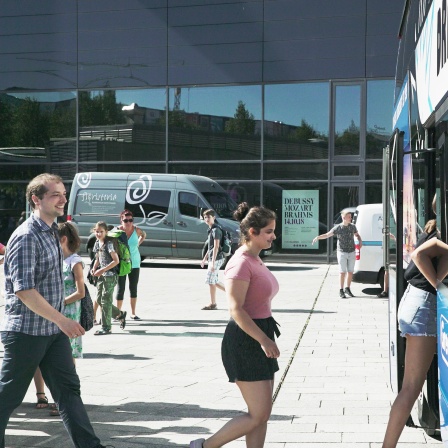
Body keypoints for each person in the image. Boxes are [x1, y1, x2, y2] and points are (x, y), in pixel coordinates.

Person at [0, 173, 108, 448]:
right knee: (7, 398)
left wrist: (59, 322)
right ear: (36, 199)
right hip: (26, 332)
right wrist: (63, 320)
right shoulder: (25, 237)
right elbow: (24, 291)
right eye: (55, 195)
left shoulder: (52, 231)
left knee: (68, 391)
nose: (63, 199)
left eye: (63, 193)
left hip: (52, 331)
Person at [190, 202, 280, 448]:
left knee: (261, 413)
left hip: (260, 334)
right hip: (245, 340)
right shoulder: (240, 262)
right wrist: (263, 340)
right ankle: (203, 446)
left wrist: (266, 337)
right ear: (252, 232)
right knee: (258, 413)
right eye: (269, 231)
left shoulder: (254, 258)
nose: (274, 236)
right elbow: (235, 309)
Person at [382, 219, 439, 448]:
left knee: (412, 385)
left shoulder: (435, 227)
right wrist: (436, 284)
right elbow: (418, 257)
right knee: (412, 386)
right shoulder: (441, 234)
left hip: (415, 303)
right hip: (423, 307)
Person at [312, 209, 363, 298]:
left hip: (351, 251)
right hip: (342, 252)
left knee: (350, 272)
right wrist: (318, 237)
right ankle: (341, 290)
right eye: (349, 217)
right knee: (342, 272)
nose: (350, 219)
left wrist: (360, 241)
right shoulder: (338, 228)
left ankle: (348, 288)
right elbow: (328, 235)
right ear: (344, 218)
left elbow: (357, 235)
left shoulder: (352, 227)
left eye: (351, 217)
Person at [91, 221, 127, 335]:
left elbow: (115, 261)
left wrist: (102, 269)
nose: (99, 234)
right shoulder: (98, 242)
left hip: (110, 276)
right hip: (101, 275)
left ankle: (106, 327)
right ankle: (119, 314)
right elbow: (98, 257)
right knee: (99, 299)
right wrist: (94, 267)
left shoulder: (109, 244)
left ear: (106, 232)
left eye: (101, 232)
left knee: (105, 300)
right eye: (97, 231)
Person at [115, 209, 146, 320]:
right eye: (125, 220)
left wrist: (138, 243)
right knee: (120, 288)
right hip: (122, 263)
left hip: (135, 262)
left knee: (133, 288)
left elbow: (144, 235)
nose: (128, 223)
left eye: (130, 220)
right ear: (121, 220)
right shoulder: (117, 231)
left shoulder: (136, 230)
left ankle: (133, 312)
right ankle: (118, 313)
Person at [200, 209, 226, 310]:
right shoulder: (211, 230)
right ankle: (234, 294)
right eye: (205, 217)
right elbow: (210, 248)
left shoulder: (216, 230)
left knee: (211, 281)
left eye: (208, 217)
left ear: (213, 218)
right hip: (213, 258)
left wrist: (212, 263)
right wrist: (204, 259)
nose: (206, 219)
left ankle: (213, 303)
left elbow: (216, 247)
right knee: (213, 281)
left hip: (217, 258)